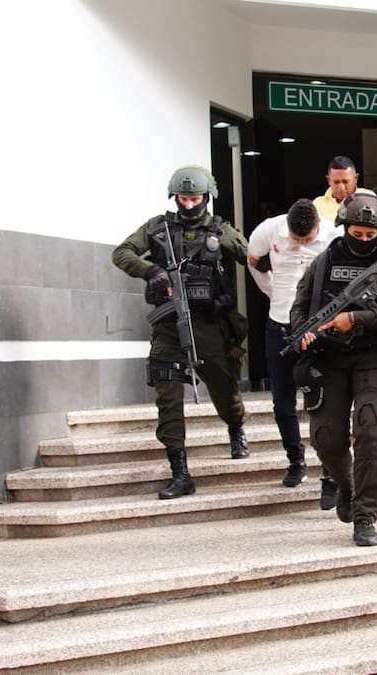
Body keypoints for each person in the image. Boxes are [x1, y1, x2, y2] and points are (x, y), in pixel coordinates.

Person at [112, 165, 251, 500]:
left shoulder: (221, 230)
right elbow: (122, 253)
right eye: (183, 198)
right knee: (168, 397)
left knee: (223, 387)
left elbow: (253, 257)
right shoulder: (157, 228)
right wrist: (152, 270)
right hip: (168, 326)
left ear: (207, 197)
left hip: (210, 325)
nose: (189, 205)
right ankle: (179, 472)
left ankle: (236, 426)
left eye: (195, 198)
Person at [289, 192, 377, 546]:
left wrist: (357, 318)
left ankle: (365, 516)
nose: (362, 241)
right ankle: (346, 487)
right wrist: (303, 335)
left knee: (372, 433)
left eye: (369, 235)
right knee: (327, 439)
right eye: (356, 234)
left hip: (375, 356)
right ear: (344, 227)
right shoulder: (323, 263)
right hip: (328, 357)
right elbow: (299, 307)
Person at [247, 198, 341, 501]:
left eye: (308, 238)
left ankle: (330, 471)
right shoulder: (267, 231)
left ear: (317, 226)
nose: (302, 243)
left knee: (323, 402)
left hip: (317, 328)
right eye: (297, 239)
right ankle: (295, 460)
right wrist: (275, 294)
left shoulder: (333, 236)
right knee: (283, 402)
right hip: (279, 324)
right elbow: (255, 265)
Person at [311, 155, 377, 223]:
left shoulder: (369, 198)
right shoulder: (317, 204)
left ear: (356, 179)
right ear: (328, 180)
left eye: (345, 182)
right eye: (336, 182)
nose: (341, 187)